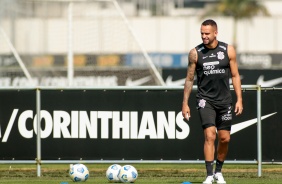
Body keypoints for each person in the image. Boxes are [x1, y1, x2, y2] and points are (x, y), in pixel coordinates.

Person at [182, 19, 243, 184]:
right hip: (205, 100)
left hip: (224, 101)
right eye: (202, 33)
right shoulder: (195, 53)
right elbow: (189, 79)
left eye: (207, 33)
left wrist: (239, 99)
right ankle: (209, 176)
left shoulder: (228, 50)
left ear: (215, 32)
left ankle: (218, 172)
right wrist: (185, 103)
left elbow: (236, 76)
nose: (204, 36)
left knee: (225, 139)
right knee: (210, 136)